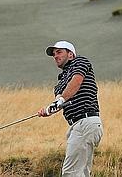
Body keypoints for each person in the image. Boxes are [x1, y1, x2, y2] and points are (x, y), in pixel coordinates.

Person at [38, 40, 103, 177]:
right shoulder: (61, 81)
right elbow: (59, 101)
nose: (55, 56)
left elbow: (77, 81)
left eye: (59, 52)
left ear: (71, 54)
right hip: (77, 125)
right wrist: (48, 109)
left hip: (85, 121)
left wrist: (60, 101)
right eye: (54, 54)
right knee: (82, 173)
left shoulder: (80, 62)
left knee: (70, 173)